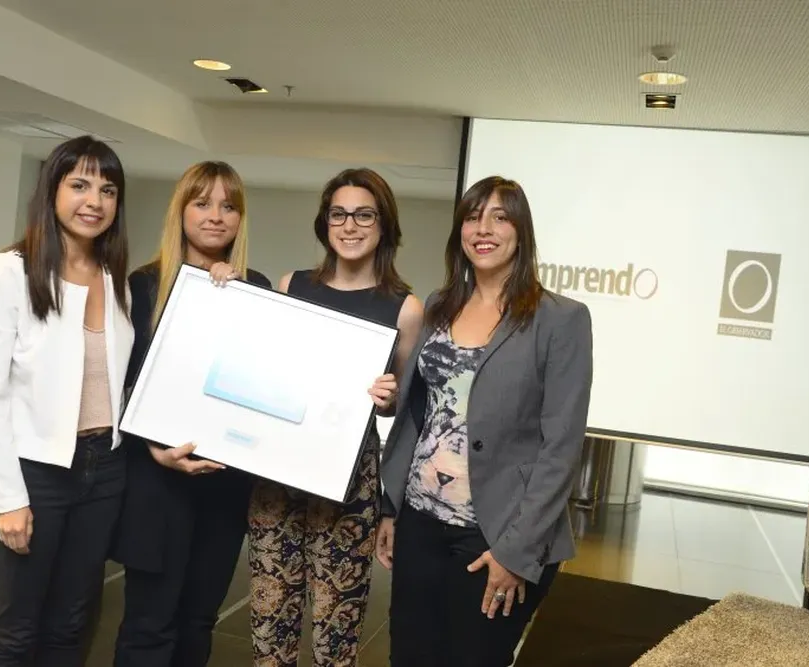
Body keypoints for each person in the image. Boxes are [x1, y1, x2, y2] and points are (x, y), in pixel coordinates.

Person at [376, 176, 594, 667]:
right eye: (473, 217)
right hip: (420, 522)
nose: (484, 228)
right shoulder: (439, 305)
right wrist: (391, 507)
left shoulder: (560, 319)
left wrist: (517, 552)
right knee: (409, 657)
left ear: (522, 231)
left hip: (495, 533)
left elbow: (561, 447)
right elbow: (418, 414)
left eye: (500, 216)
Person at [0, 135, 133, 667]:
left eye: (107, 190)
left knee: (72, 625)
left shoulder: (116, 279)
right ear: (52, 191)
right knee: (16, 631)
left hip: (104, 470)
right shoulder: (10, 271)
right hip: (35, 473)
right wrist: (6, 499)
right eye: (79, 185)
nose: (94, 201)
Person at [244, 168, 423, 666]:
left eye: (364, 214)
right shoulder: (291, 285)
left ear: (383, 224)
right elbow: (271, 373)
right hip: (278, 471)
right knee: (269, 619)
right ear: (324, 222)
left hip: (350, 479)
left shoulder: (405, 308)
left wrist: (385, 400)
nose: (350, 225)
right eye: (338, 213)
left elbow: (404, 409)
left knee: (336, 628)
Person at [112, 161, 271, 667]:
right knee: (148, 622)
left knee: (199, 619)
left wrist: (231, 294)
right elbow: (120, 385)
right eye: (202, 203)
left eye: (229, 206)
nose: (215, 216)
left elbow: (260, 382)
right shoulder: (141, 286)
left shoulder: (258, 287)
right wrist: (155, 448)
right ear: (180, 210)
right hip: (156, 482)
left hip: (224, 486)